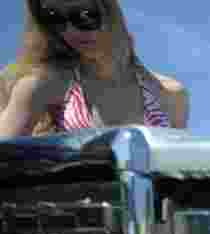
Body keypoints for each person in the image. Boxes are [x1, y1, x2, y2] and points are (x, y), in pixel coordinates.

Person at [0, 0, 188, 139]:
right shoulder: (44, 85)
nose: (70, 31)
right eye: (54, 18)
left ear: (109, 10)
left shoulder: (171, 94)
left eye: (85, 15)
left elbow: (174, 177)